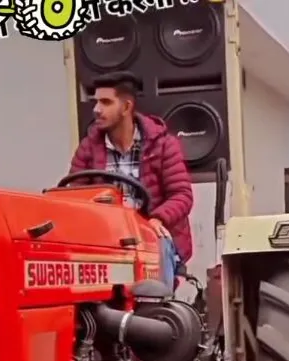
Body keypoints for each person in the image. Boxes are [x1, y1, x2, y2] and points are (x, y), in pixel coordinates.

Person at [68, 71, 194, 292]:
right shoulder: (88, 148)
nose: (97, 109)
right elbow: (73, 196)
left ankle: (159, 311)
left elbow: (182, 195)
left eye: (106, 102)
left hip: (150, 234)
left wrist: (157, 220)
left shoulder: (163, 144)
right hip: (107, 236)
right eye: (95, 101)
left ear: (126, 107)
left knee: (158, 241)